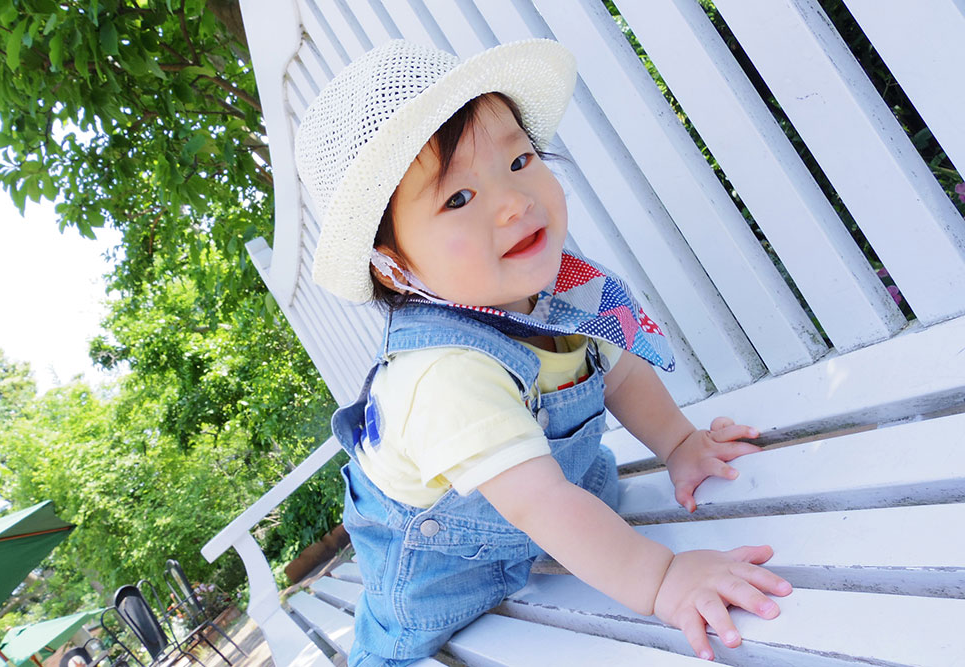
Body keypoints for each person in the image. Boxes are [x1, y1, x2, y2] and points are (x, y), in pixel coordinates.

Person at [294, 38, 792, 666]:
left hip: (561, 507)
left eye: (519, 161)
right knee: (393, 651)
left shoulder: (560, 290)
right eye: (457, 198)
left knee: (575, 492)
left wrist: (680, 444)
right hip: (439, 574)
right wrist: (663, 579)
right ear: (394, 268)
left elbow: (619, 373)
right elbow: (541, 503)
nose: (514, 201)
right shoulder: (442, 376)